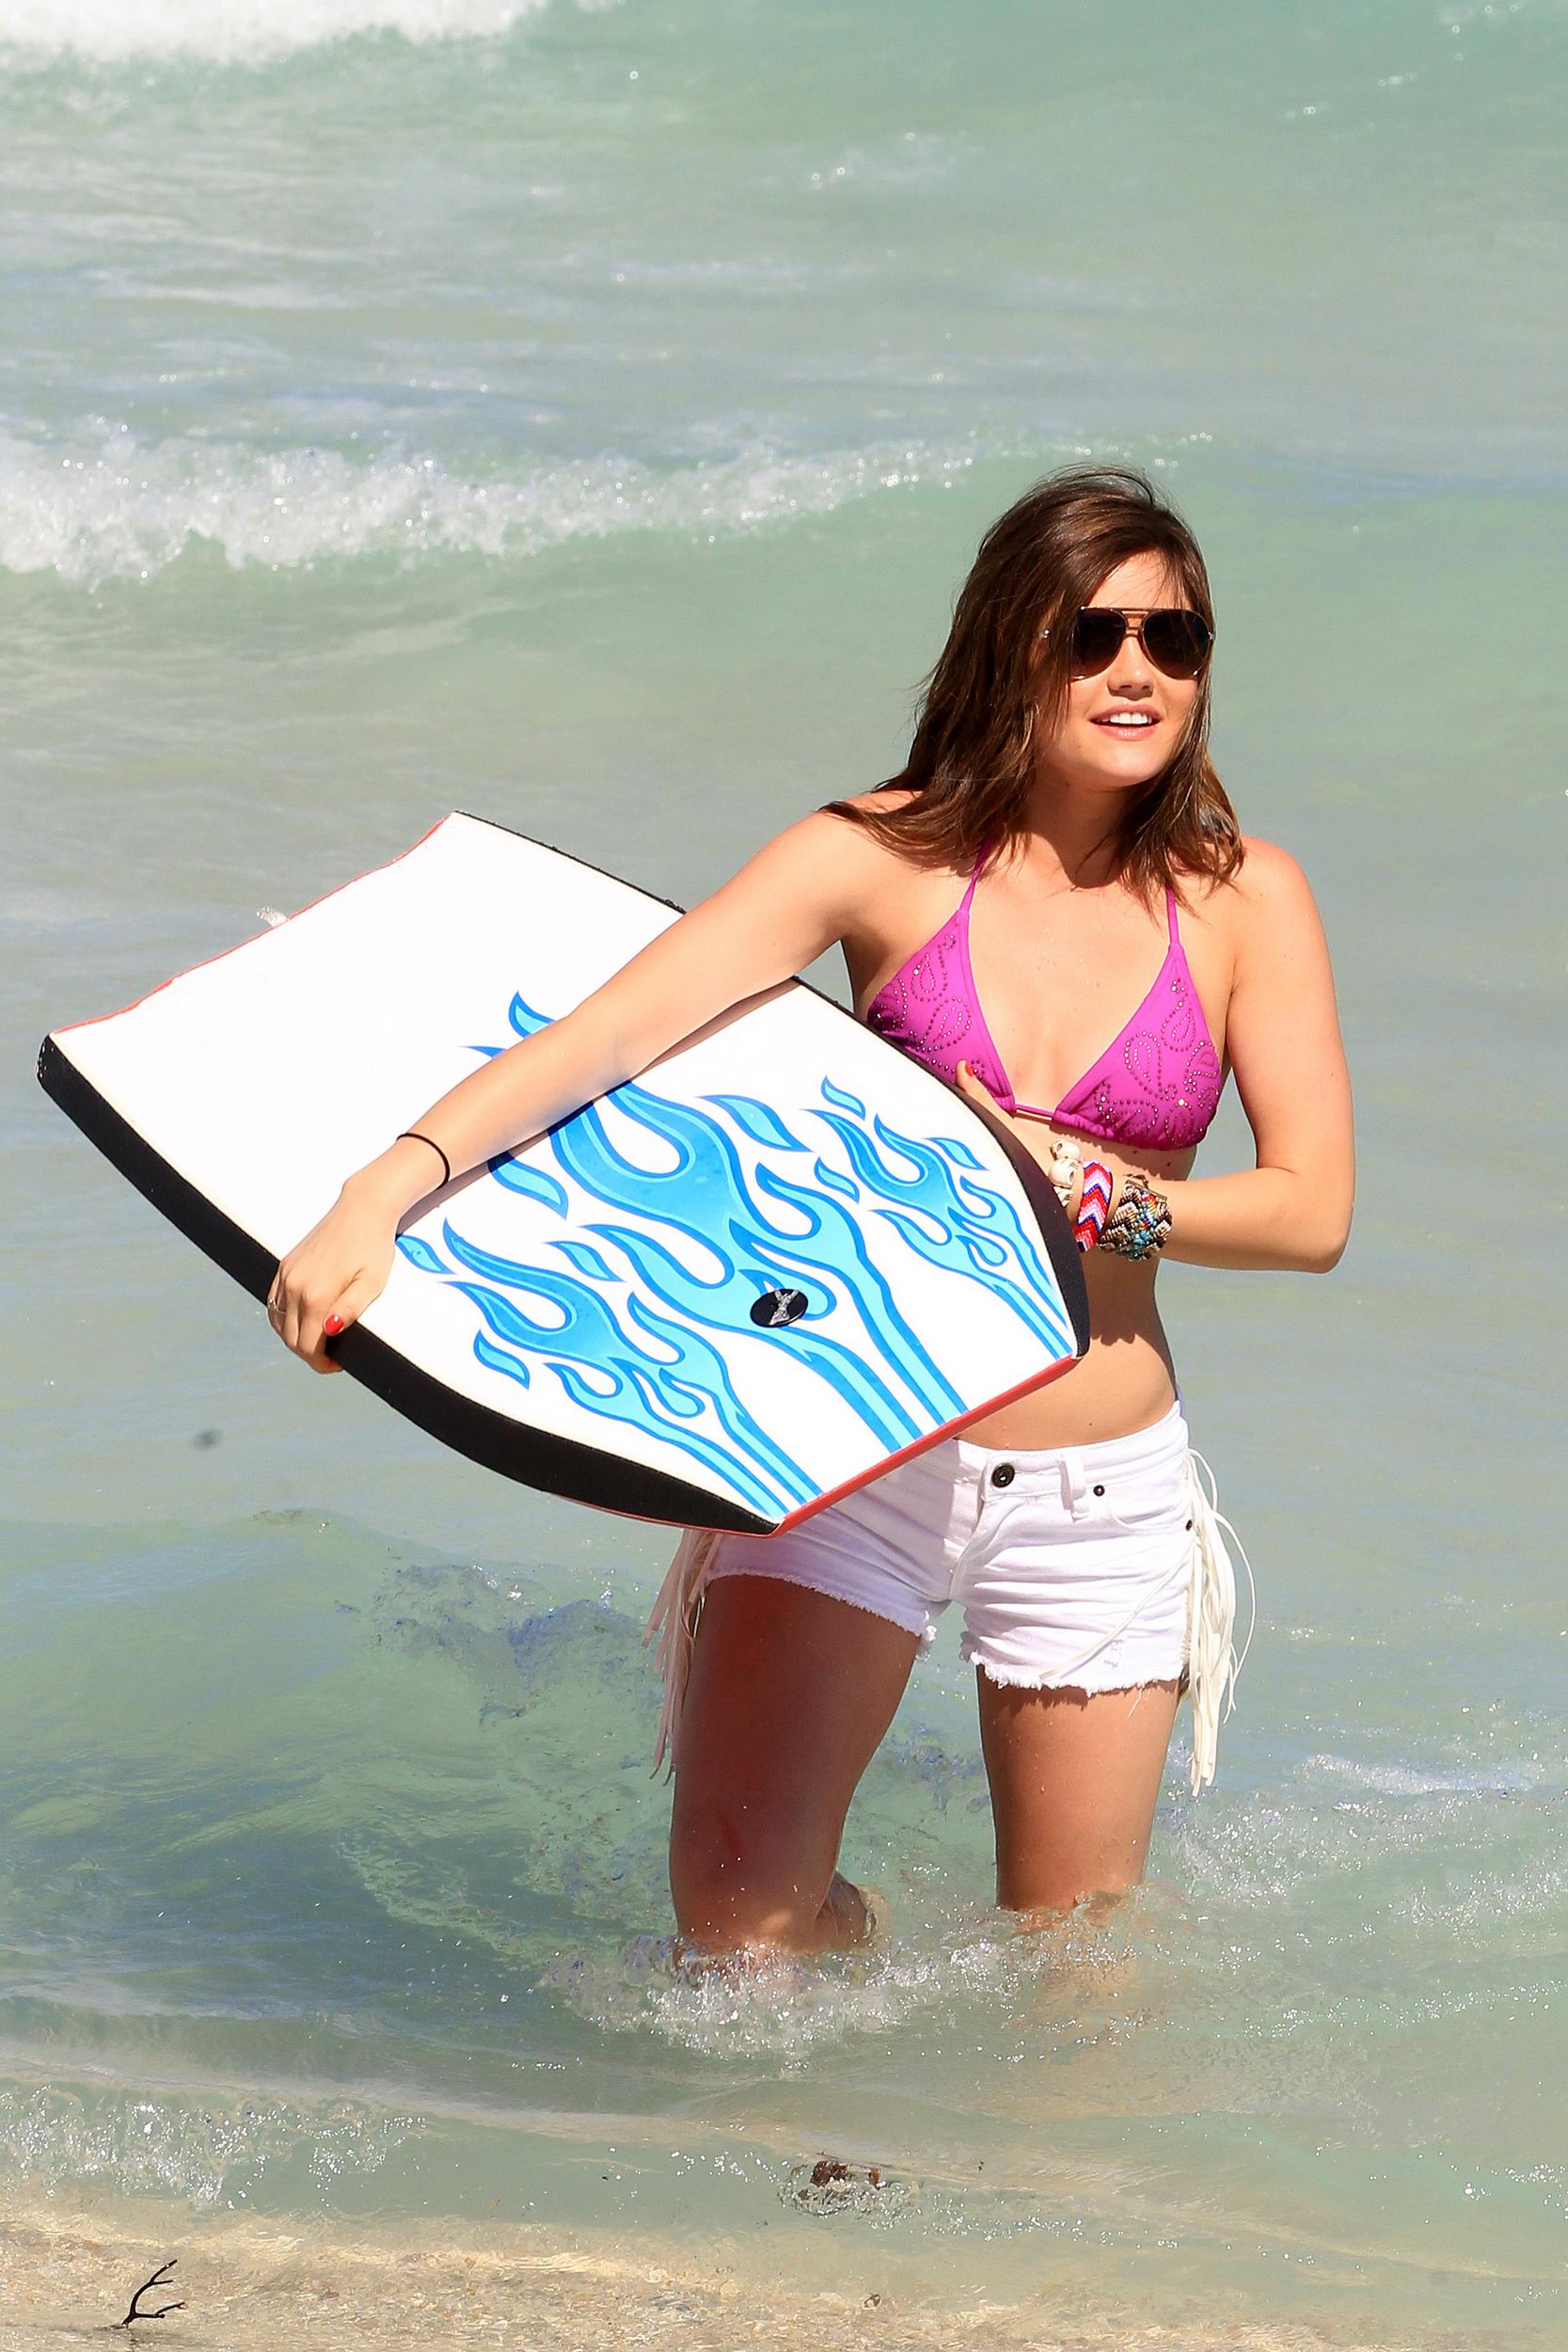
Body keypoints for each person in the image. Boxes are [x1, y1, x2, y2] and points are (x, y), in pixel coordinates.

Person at [267, 465, 1354, 1960]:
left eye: (1177, 640)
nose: (1137, 670)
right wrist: (381, 1194)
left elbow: (1309, 1211)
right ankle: (836, 2157)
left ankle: (1018, 2192)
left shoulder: (1243, 898)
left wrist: (1096, 1188)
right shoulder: (878, 859)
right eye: (1095, 632)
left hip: (1099, 1484)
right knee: (737, 1926)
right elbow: (606, 1038)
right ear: (1011, 645)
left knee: (1072, 1961)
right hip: (859, 1444)